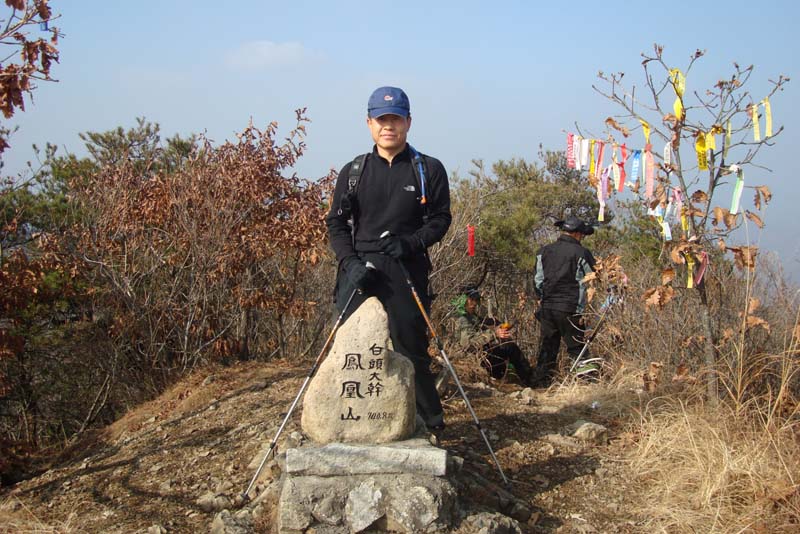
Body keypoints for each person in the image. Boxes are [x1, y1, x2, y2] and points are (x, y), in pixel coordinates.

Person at [325, 86, 452, 432]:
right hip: (359, 268)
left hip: (405, 267)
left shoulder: (428, 169)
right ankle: (350, 422)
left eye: (395, 118)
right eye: (382, 119)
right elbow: (335, 222)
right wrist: (349, 263)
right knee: (353, 348)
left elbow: (441, 219)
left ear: (408, 122)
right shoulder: (354, 171)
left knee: (411, 347)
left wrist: (411, 243)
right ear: (368, 123)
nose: (388, 126)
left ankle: (430, 422)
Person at [531, 215, 597, 387]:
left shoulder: (543, 251)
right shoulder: (582, 253)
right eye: (582, 234)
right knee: (577, 348)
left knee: (548, 347)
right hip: (571, 308)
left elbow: (538, 281)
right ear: (576, 233)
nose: (583, 237)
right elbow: (595, 277)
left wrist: (541, 299)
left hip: (547, 308)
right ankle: (586, 385)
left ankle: (541, 387)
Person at [453, 287, 534, 386]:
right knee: (509, 347)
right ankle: (530, 380)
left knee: (507, 344)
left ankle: (525, 378)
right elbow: (468, 343)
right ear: (463, 299)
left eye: (476, 299)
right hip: (472, 359)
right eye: (471, 299)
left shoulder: (474, 317)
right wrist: (494, 333)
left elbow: (494, 325)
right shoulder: (461, 318)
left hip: (482, 355)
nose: (474, 303)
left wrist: (517, 312)